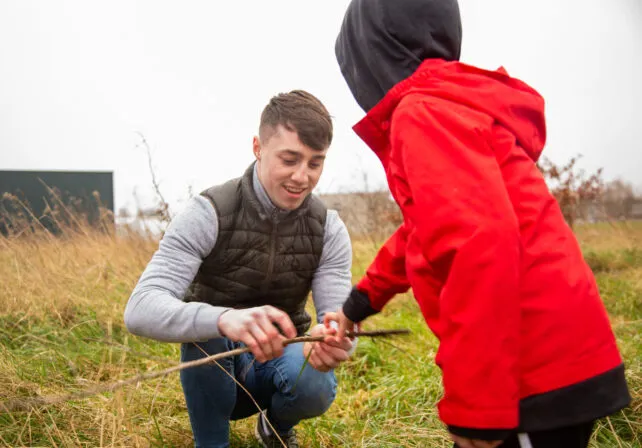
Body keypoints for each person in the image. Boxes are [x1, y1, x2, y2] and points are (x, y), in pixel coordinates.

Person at [327, 1, 631, 447]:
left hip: (531, 374)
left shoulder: (421, 112)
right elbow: (421, 231)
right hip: (552, 355)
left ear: (370, 57)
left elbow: (480, 242)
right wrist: (358, 304)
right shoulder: (453, 105)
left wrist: (479, 411)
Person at [124, 90, 355, 448]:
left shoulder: (329, 228)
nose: (301, 176)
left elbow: (338, 319)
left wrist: (339, 341)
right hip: (213, 365)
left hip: (280, 360)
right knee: (206, 337)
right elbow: (139, 309)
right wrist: (223, 319)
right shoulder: (208, 212)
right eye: (289, 159)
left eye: (315, 163)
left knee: (315, 384)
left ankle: (275, 425)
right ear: (257, 148)